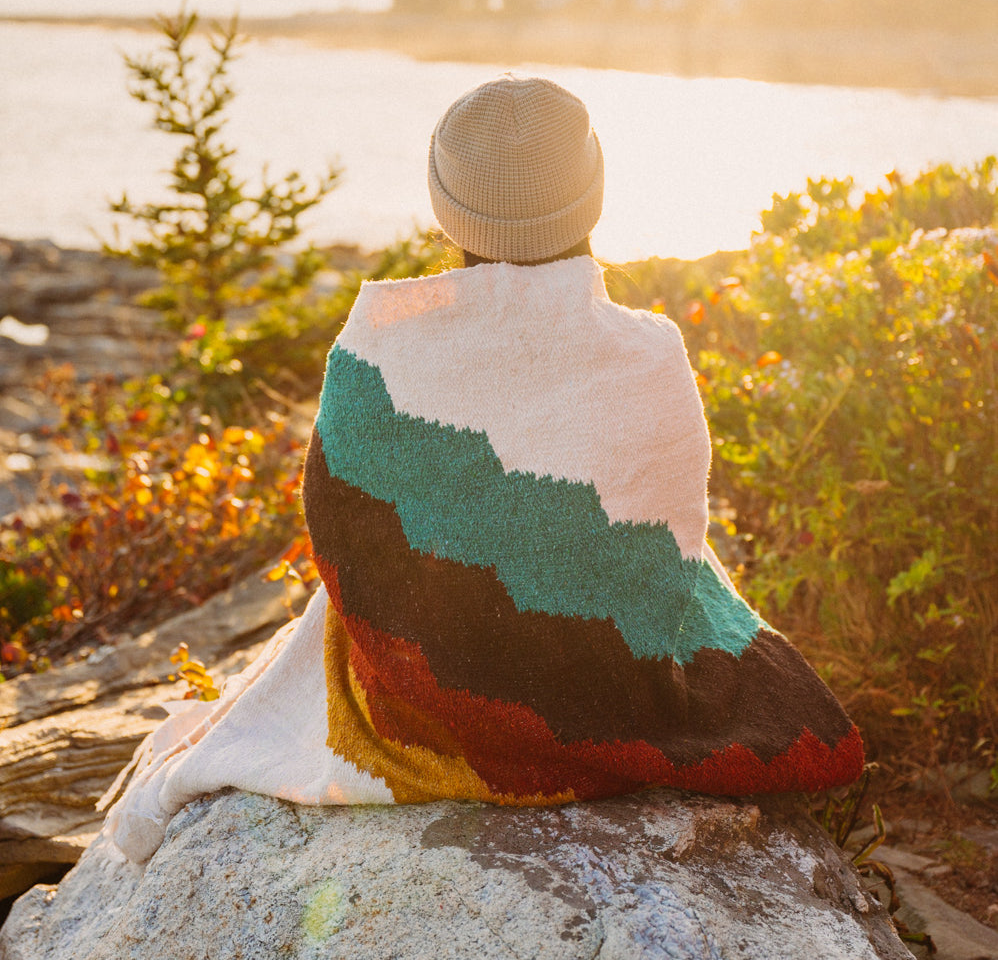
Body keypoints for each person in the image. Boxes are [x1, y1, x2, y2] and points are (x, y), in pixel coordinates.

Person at [104, 74, 863, 863]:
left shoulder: (379, 348)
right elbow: (663, 550)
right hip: (603, 694)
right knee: (701, 580)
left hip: (423, 709)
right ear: (593, 197)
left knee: (337, 613)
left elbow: (348, 550)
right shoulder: (652, 354)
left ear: (445, 210)